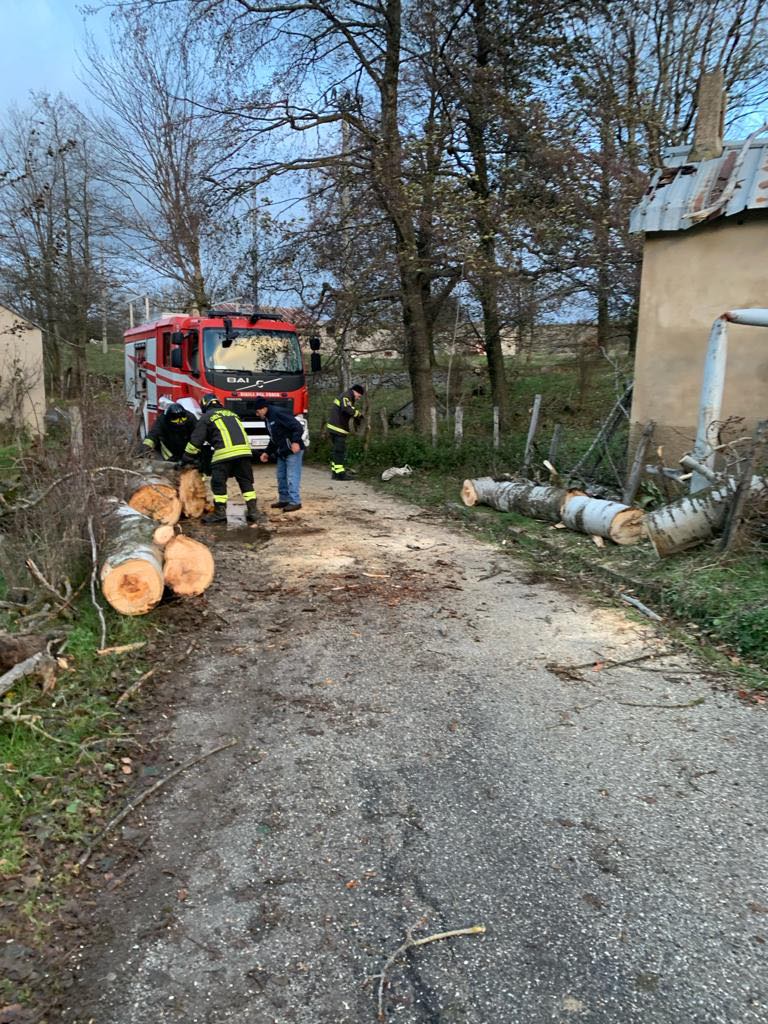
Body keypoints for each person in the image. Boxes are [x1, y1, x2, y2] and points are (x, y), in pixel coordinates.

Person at [182, 394, 264, 525]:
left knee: (218, 484)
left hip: (224, 454)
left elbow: (196, 440)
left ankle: (220, 513)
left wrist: (187, 457)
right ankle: (253, 511)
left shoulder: (207, 417)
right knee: (246, 483)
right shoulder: (232, 414)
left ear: (204, 405)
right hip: (244, 453)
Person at [253, 397, 305, 512]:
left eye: (257, 411)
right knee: (281, 476)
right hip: (282, 451)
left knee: (292, 476)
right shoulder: (267, 418)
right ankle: (284, 500)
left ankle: (295, 502)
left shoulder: (278, 413)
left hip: (293, 450)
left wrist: (295, 442)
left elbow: (297, 427)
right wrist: (266, 452)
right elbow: (274, 438)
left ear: (264, 408)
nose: (257, 414)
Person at [326, 384, 365, 480]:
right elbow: (347, 409)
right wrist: (358, 414)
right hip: (338, 429)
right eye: (359, 396)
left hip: (334, 428)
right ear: (355, 391)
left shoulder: (346, 396)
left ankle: (335, 473)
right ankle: (340, 475)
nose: (358, 398)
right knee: (339, 452)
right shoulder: (347, 396)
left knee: (336, 452)